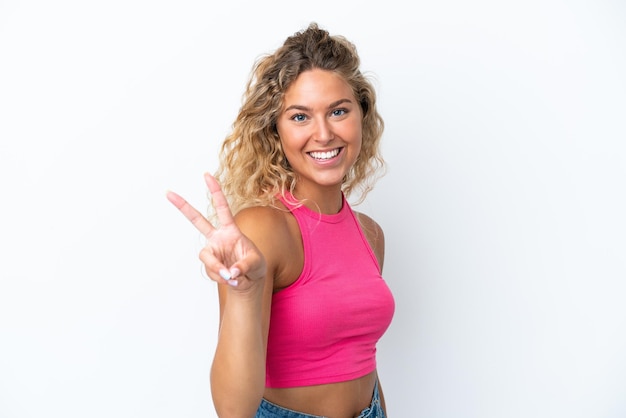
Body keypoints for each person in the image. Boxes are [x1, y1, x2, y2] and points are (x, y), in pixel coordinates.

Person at [166, 22, 395, 418]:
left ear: (362, 115)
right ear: (276, 130)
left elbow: (364, 365)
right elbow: (234, 410)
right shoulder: (262, 229)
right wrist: (242, 293)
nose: (323, 134)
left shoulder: (371, 234)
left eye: (338, 111)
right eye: (300, 117)